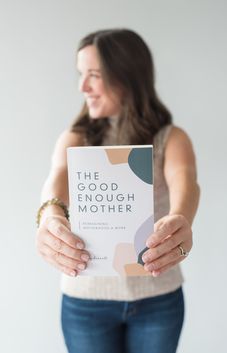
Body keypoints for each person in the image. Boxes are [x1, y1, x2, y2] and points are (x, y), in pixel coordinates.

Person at [36, 28, 200, 353]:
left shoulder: (170, 138)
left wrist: (181, 219)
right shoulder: (76, 137)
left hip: (158, 297)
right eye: (81, 75)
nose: (82, 87)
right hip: (86, 302)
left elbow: (187, 182)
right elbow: (57, 178)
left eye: (94, 76)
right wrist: (50, 214)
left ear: (127, 75)